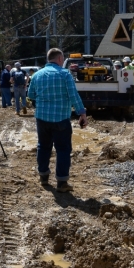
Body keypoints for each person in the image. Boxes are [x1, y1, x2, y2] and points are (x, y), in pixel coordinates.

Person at [26, 48, 87, 193]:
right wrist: (82, 113)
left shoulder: (37, 75)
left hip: (42, 118)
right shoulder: (65, 75)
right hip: (61, 118)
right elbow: (74, 96)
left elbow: (31, 95)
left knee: (43, 147)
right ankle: (62, 182)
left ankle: (44, 177)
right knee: (63, 149)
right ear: (60, 59)